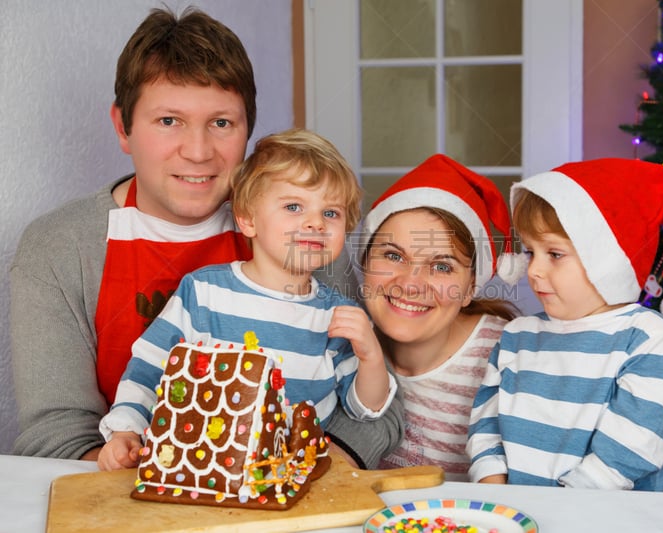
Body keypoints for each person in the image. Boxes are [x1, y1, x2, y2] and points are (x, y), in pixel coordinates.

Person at [9, 7, 402, 469]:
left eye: (221, 123)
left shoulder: (306, 235)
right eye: (169, 121)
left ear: (247, 131)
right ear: (123, 127)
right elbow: (53, 434)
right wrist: (178, 482)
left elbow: (380, 408)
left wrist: (291, 478)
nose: (197, 152)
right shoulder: (58, 248)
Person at [97, 128, 397, 471]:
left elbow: (366, 409)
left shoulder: (338, 316)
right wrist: (124, 431)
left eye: (331, 213)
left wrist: (370, 354)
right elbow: (148, 368)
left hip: (296, 486)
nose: (315, 223)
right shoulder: (203, 293)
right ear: (248, 220)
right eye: (294, 206)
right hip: (207, 476)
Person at [468, 158, 663, 491]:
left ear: (604, 260)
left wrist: (564, 509)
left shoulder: (644, 336)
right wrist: (495, 491)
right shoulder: (517, 336)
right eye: (530, 252)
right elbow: (486, 424)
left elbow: (633, 446)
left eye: (554, 254)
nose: (534, 270)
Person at [354, 154, 521, 481]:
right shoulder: (343, 345)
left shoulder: (511, 359)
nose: (410, 284)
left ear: (471, 287)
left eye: (442, 266)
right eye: (393, 255)